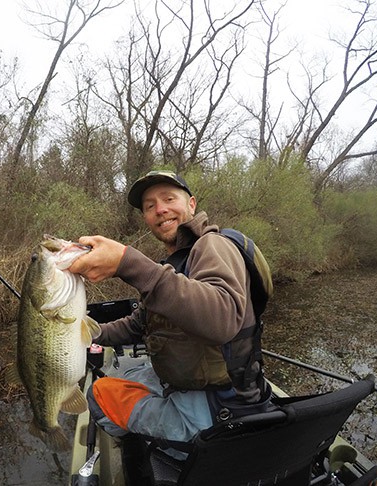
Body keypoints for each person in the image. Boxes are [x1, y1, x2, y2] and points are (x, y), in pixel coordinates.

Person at [68, 170, 272, 450]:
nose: (160, 209)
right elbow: (137, 326)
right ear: (146, 219)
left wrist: (128, 263)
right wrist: (85, 334)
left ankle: (151, 457)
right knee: (123, 373)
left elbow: (222, 319)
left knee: (97, 394)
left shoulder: (214, 246)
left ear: (191, 204)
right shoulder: (176, 265)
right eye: (150, 206)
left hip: (217, 413)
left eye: (168, 199)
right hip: (186, 386)